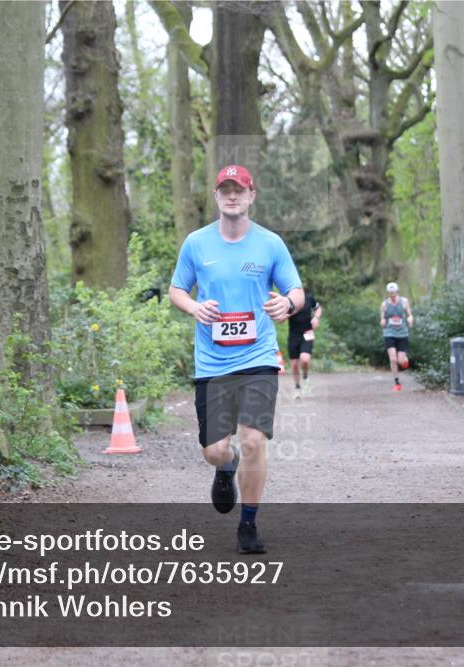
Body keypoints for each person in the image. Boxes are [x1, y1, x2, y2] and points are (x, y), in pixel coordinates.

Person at [169, 164, 304, 555]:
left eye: (239, 189)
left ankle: (249, 523)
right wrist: (194, 308)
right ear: (216, 196)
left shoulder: (270, 244)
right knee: (214, 449)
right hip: (211, 362)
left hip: (258, 356)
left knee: (254, 440)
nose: (232, 195)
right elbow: (177, 289)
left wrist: (286, 303)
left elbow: (295, 289)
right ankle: (225, 468)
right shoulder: (196, 243)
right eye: (225, 189)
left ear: (251, 196)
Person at [287, 290, 322, 400]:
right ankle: (297, 387)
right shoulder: (288, 300)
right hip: (293, 335)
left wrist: (316, 318)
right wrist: (284, 315)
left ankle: (305, 377)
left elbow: (318, 308)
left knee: (305, 359)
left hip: (307, 333)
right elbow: (281, 318)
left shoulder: (309, 298)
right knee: (294, 365)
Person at [380, 282, 413, 392]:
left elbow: (409, 314)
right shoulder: (384, 304)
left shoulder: (404, 301)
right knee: (393, 359)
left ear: (397, 292)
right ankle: (397, 383)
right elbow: (383, 318)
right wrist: (383, 321)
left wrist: (410, 319)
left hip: (402, 333)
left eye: (394, 293)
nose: (392, 295)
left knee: (400, 361)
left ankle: (404, 361)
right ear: (388, 293)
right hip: (389, 333)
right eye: (390, 294)